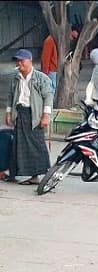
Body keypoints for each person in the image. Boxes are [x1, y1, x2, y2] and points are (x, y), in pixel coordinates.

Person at [5, 49, 53, 185]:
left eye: (22, 60)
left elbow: (48, 97)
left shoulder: (40, 78)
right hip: (20, 113)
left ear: (30, 61)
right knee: (16, 144)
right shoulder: (16, 78)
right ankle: (14, 173)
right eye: (18, 61)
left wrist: (46, 116)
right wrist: (8, 113)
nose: (19, 63)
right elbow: (10, 96)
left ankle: (36, 175)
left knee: (35, 145)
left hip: (34, 115)